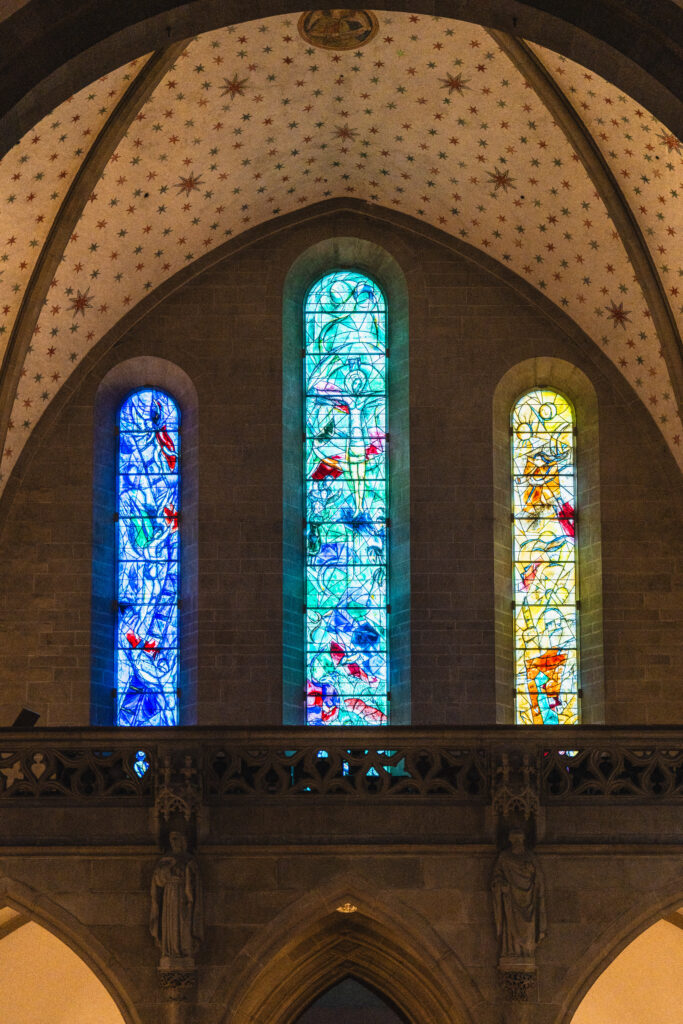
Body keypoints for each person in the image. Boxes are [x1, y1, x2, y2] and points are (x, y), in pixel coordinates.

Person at [491, 830, 546, 963]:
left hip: (529, 900)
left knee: (528, 927)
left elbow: (539, 879)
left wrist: (531, 874)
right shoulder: (504, 857)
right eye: (514, 839)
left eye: (519, 839)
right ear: (510, 839)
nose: (517, 842)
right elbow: (496, 878)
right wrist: (501, 886)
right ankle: (511, 951)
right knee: (510, 928)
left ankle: (526, 952)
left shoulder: (530, 856)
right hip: (510, 899)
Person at [150, 831, 203, 963]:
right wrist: (169, 867)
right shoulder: (166, 860)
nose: (174, 843)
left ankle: (184, 949)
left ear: (183, 841)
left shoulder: (189, 860)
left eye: (177, 839)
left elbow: (194, 882)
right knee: (171, 921)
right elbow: (159, 881)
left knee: (183, 920)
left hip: (183, 894)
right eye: (172, 840)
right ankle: (170, 949)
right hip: (170, 893)